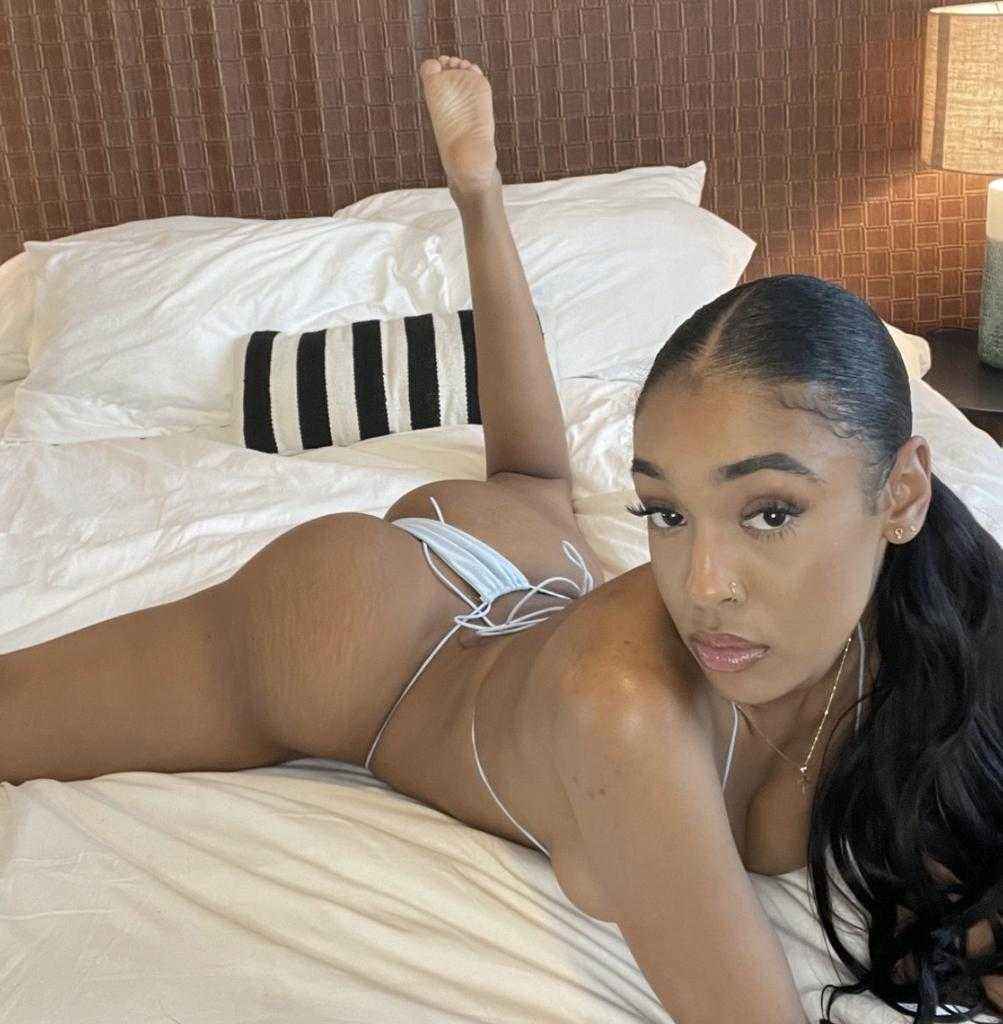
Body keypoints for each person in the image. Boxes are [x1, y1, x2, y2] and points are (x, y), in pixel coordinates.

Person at [3, 53, 1002, 1024]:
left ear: (902, 493)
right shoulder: (624, 707)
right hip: (366, 637)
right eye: (662, 511)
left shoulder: (948, 602)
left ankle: (478, 194)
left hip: (534, 566)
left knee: (531, 480)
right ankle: (477, 197)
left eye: (769, 513)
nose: (703, 586)